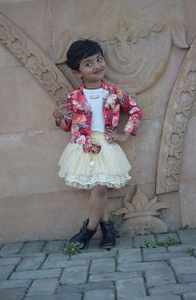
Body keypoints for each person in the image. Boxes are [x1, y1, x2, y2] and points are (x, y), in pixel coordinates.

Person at [53, 39, 142, 249]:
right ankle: (107, 229)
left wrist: (125, 134)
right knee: (96, 188)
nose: (98, 65)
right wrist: (58, 118)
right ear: (77, 72)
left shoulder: (114, 93)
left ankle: (88, 231)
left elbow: (136, 111)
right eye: (89, 63)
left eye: (99, 59)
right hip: (82, 145)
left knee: (100, 188)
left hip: (106, 145)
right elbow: (67, 125)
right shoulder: (74, 97)